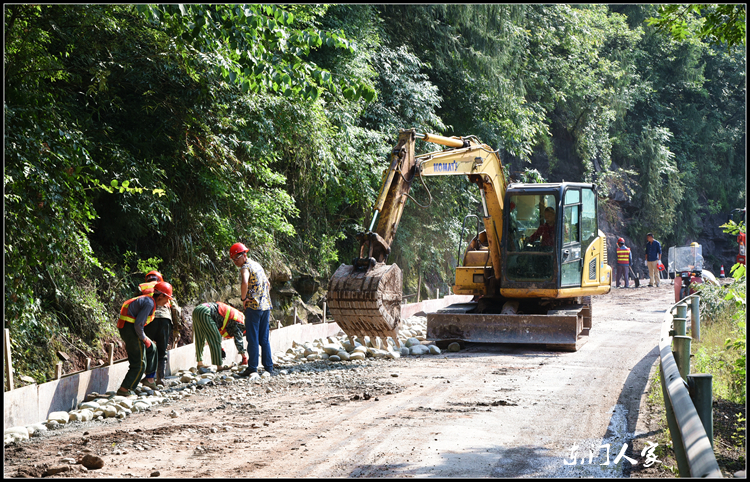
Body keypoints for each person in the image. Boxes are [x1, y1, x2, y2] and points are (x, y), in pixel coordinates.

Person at [114, 281, 174, 396]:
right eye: (167, 299)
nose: (167, 302)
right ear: (161, 296)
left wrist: (147, 340)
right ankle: (125, 389)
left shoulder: (150, 301)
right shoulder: (149, 303)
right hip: (131, 330)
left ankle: (149, 379)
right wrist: (144, 339)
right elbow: (138, 325)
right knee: (140, 363)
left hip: (130, 328)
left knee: (153, 348)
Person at [230, 242, 275, 377]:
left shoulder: (245, 267)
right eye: (233, 260)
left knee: (252, 338)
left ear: (243, 255)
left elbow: (244, 282)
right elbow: (268, 284)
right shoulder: (257, 265)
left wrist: (244, 299)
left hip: (253, 307)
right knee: (264, 338)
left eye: (236, 259)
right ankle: (268, 367)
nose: (235, 262)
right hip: (265, 306)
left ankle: (252, 367)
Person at [138, 271, 183, 387]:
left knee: (147, 348)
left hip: (149, 320)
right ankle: (160, 379)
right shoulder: (165, 288)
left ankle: (149, 378)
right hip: (165, 320)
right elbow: (175, 309)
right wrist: (177, 328)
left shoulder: (142, 287)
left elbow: (137, 304)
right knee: (162, 352)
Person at [191, 301, 250, 368]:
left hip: (197, 310)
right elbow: (238, 339)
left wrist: (220, 348)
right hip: (205, 311)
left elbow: (213, 331)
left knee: (200, 337)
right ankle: (219, 366)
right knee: (216, 337)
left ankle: (200, 363)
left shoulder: (235, 316)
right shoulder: (240, 322)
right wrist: (244, 357)